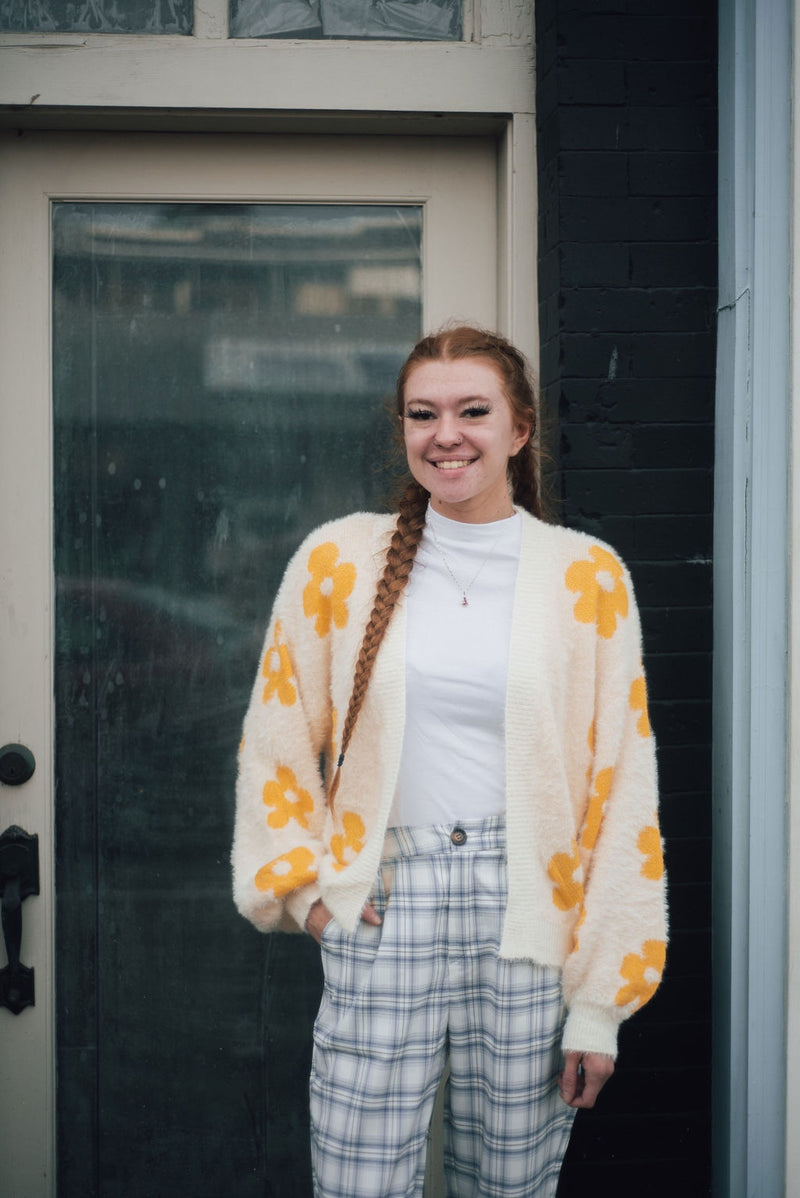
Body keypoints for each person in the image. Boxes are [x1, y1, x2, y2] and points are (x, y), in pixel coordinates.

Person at [232, 325, 667, 1198]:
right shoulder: (338, 560)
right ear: (402, 429)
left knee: (510, 1183)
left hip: (531, 913)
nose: (446, 434)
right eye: (423, 414)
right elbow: (278, 735)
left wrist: (599, 1004)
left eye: (474, 410)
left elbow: (623, 792)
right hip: (385, 900)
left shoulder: (587, 575)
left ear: (519, 429)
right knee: (360, 1180)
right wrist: (304, 893)